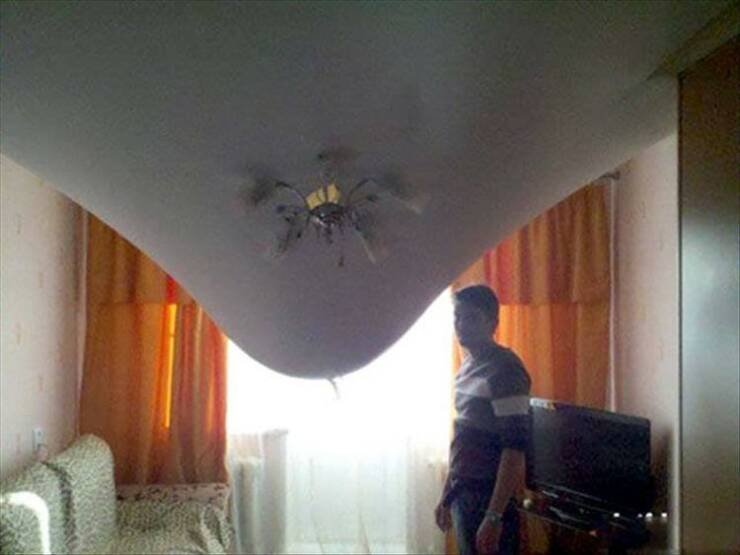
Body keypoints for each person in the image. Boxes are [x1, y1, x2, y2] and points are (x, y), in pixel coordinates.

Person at [435, 285, 532, 555]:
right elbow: (463, 437)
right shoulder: (467, 366)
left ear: (493, 323)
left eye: (471, 317)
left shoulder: (506, 369)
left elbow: (514, 448)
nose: (461, 324)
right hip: (463, 493)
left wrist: (494, 516)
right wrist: (447, 494)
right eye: (457, 316)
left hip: (489, 498)